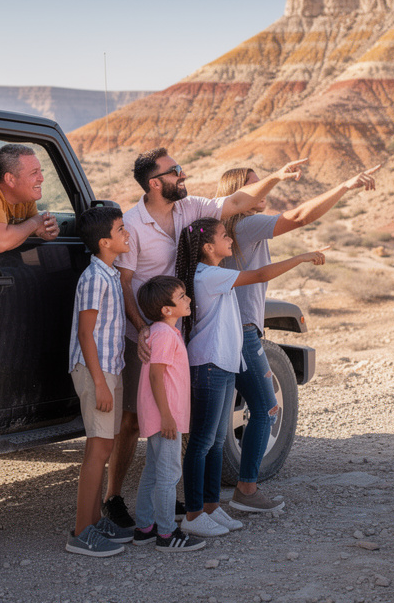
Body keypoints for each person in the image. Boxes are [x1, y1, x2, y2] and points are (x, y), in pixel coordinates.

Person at [103, 147, 308, 529]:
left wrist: (279, 174)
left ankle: (178, 501)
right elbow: (126, 283)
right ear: (154, 182)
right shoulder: (132, 223)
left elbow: (236, 200)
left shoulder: (190, 207)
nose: (183, 176)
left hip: (181, 330)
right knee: (133, 419)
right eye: (175, 172)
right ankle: (114, 497)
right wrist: (143, 326)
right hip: (145, 333)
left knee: (182, 421)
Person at [215, 164, 380, 512]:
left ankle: (208, 503)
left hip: (222, 329)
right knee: (266, 409)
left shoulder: (225, 226)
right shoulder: (246, 224)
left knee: (217, 418)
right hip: (244, 330)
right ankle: (246, 490)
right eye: (255, 187)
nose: (263, 192)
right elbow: (301, 216)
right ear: (240, 195)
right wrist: (345, 185)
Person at [173, 217, 327, 537]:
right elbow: (259, 274)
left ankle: (212, 508)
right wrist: (300, 257)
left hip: (225, 365)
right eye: (224, 236)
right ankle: (192, 513)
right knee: (202, 442)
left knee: (216, 442)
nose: (231, 240)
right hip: (210, 366)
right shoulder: (210, 275)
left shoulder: (214, 274)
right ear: (207, 247)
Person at [65, 206, 134, 557]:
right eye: (122, 229)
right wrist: (101, 384)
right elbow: (86, 335)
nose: (128, 234)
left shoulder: (110, 274)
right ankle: (80, 532)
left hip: (110, 368)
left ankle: (92, 521)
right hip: (97, 372)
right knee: (97, 449)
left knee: (105, 446)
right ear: (105, 242)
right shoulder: (94, 279)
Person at [130, 275, 205, 552]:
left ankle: (145, 528)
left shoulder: (166, 331)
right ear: (166, 309)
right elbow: (156, 376)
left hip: (161, 415)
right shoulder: (162, 333)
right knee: (168, 474)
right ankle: (166, 533)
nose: (187, 299)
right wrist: (167, 416)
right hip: (164, 416)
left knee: (153, 470)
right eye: (182, 297)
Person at [0, 143, 60, 252]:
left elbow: (32, 229)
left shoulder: (24, 195)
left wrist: (46, 230)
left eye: (40, 171)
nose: (42, 178)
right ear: (10, 179)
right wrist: (36, 223)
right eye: (34, 173)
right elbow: (0, 243)